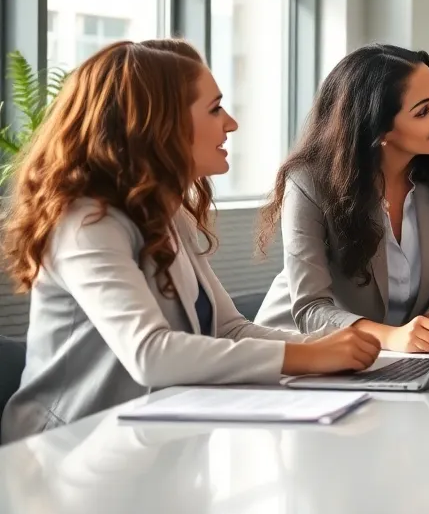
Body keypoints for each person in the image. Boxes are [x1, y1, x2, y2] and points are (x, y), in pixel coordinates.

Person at [0, 40, 378, 444]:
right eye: (214, 109)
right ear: (159, 124)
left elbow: (228, 329)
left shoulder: (164, 210)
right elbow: (151, 354)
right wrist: (309, 357)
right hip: (61, 455)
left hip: (148, 440)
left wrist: (330, 347)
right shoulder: (85, 222)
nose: (230, 123)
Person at [254, 44, 429, 353]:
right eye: (423, 110)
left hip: (392, 359)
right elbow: (311, 308)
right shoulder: (309, 182)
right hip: (300, 352)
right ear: (379, 127)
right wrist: (391, 337)